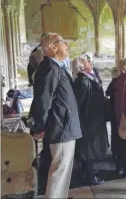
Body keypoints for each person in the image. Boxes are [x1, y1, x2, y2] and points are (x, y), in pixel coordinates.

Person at [30, 33, 82, 198]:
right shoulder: (50, 68)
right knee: (59, 170)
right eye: (62, 42)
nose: (66, 44)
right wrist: (39, 126)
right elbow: (43, 100)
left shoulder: (54, 66)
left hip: (63, 124)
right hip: (61, 125)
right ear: (52, 47)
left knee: (62, 169)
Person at [73, 53, 108, 185]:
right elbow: (78, 103)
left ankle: (88, 172)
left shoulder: (89, 77)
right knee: (88, 148)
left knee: (91, 148)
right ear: (82, 65)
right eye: (88, 61)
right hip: (88, 120)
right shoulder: (82, 81)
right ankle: (90, 176)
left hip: (94, 118)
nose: (91, 62)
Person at [105, 66, 120, 159]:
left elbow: (107, 93)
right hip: (116, 110)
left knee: (115, 131)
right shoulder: (118, 82)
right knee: (117, 132)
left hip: (113, 109)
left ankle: (115, 151)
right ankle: (116, 151)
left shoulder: (114, 82)